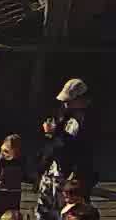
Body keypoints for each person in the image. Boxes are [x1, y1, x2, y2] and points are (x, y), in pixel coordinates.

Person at [36, 79, 96, 211]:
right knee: (47, 208)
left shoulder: (86, 120)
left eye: (69, 101)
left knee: (71, 209)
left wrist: (52, 133)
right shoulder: (65, 114)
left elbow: (71, 147)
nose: (65, 104)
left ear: (81, 100)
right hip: (55, 170)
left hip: (71, 173)